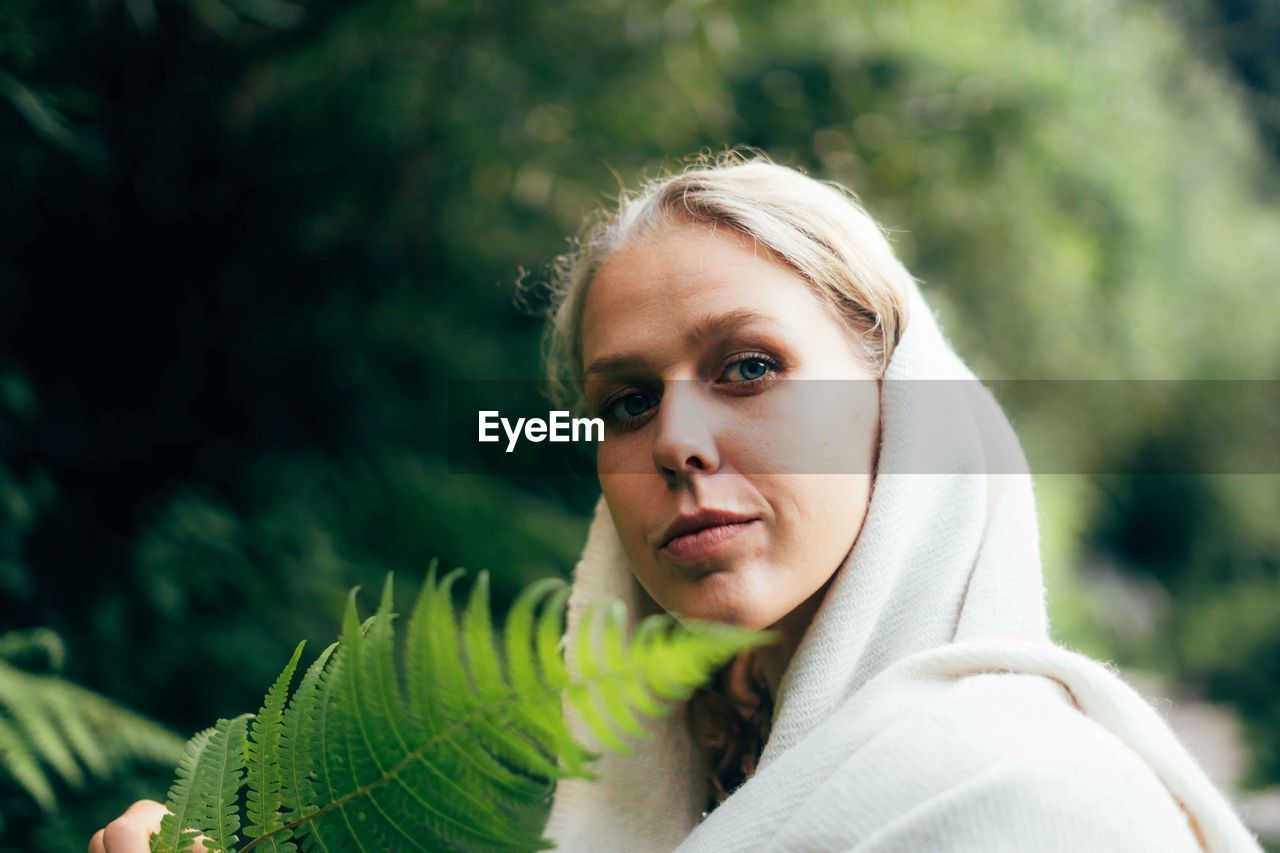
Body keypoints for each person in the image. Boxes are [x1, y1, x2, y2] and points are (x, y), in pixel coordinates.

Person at [89, 151, 1260, 852]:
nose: (679, 443)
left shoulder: (1037, 806)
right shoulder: (649, 795)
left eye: (747, 367)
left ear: (896, 404)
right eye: (626, 401)